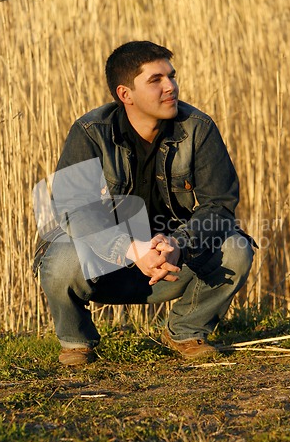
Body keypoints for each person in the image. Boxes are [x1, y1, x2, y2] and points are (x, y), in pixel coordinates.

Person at [33, 40, 256, 366]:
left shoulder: (198, 128)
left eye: (171, 76)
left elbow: (219, 206)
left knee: (236, 248)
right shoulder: (90, 132)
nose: (171, 87)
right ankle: (76, 342)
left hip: (170, 260)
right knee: (62, 258)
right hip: (106, 259)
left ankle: (186, 330)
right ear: (126, 94)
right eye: (156, 80)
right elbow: (74, 208)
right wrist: (129, 248)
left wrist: (179, 245)